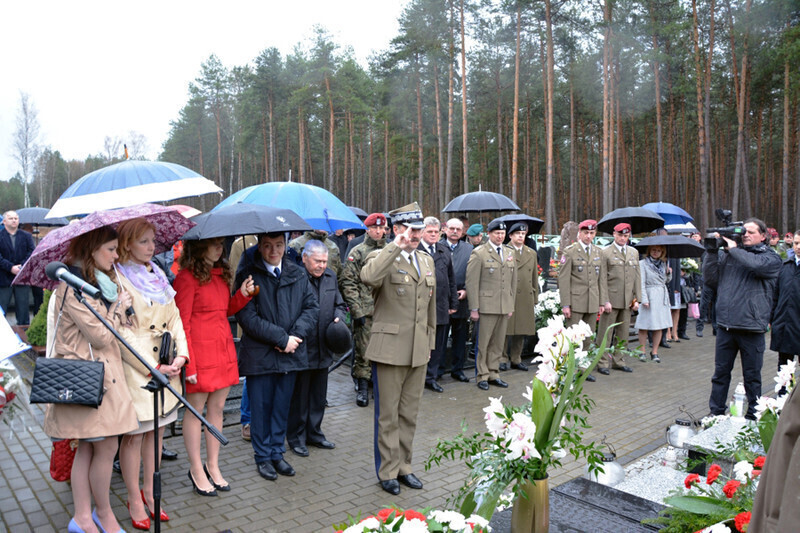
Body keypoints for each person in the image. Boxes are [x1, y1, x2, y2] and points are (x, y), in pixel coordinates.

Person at [43, 226, 139, 533]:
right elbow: (99, 336)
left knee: (89, 448)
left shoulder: (98, 284)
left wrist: (121, 307)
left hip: (103, 380)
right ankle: (99, 514)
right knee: (104, 447)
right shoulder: (72, 288)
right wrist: (116, 308)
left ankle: (84, 518)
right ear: (92, 250)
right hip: (88, 380)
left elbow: (112, 328)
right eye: (110, 249)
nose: (116, 255)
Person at [115, 218, 189, 530]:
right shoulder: (117, 279)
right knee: (134, 436)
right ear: (127, 244)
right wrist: (152, 367)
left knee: (157, 433)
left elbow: (174, 316)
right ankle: (133, 497)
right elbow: (121, 333)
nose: (151, 247)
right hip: (140, 369)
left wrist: (182, 356)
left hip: (168, 361)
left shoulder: (157, 274)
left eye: (152, 240)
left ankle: (149, 492)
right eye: (143, 241)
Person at [360, 202, 435, 495]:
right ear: (397, 229)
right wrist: (395, 246)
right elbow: (369, 278)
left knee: (409, 414)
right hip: (389, 349)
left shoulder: (426, 261)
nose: (415, 235)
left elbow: (430, 310)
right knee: (388, 415)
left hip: (418, 350)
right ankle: (387, 471)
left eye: (418, 230)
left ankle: (405, 466)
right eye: (410, 229)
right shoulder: (383, 256)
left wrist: (429, 342)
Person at [235, 232, 318, 481]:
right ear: (259, 247)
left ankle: (277, 452)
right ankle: (262, 457)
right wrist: (281, 339)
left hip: (290, 353)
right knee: (261, 407)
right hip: (261, 356)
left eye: (279, 245)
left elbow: (311, 308)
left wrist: (294, 337)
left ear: (285, 246)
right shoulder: (248, 275)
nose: (274, 251)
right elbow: (246, 317)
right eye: (268, 246)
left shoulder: (297, 272)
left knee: (281, 406)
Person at [173, 238, 254, 496]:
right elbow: (181, 324)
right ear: (199, 247)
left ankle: (213, 466)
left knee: (217, 410)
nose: (220, 248)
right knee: (195, 412)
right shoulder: (185, 278)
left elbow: (224, 311)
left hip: (222, 350)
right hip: (199, 353)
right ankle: (196, 468)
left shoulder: (221, 275)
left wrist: (241, 295)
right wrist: (190, 363)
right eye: (214, 244)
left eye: (222, 244)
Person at [703, 218, 781, 419]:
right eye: (744, 231)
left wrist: (734, 249)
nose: (746, 234)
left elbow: (756, 267)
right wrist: (712, 253)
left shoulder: (770, 258)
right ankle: (716, 413)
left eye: (752, 232)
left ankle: (753, 416)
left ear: (763, 236)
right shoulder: (730, 255)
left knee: (752, 378)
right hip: (726, 327)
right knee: (720, 375)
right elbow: (711, 279)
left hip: (752, 328)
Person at [287, 240, 346, 457]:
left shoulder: (330, 276)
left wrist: (340, 317)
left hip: (324, 345)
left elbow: (340, 303)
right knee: (300, 396)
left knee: (318, 395)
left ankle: (315, 433)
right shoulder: (295, 277)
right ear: (304, 258)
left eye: (324, 261)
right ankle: (296, 437)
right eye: (317, 261)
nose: (321, 265)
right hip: (302, 346)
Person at [340, 213, 387, 407]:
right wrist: (357, 311)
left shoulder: (391, 250)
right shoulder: (358, 252)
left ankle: (381, 386)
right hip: (366, 312)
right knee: (364, 351)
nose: (378, 231)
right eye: (374, 228)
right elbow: (348, 282)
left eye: (381, 228)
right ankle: (362, 388)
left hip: (387, 311)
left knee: (385, 351)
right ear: (367, 229)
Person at [466, 218, 517, 390]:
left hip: (504, 305)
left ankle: (494, 372)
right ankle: (482, 376)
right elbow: (471, 282)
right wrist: (474, 308)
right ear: (489, 234)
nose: (500, 236)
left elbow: (513, 282)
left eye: (502, 233)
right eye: (497, 233)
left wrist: (511, 305)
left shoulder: (509, 252)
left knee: (498, 343)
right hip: (486, 306)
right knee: (484, 343)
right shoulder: (479, 253)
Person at [418, 216, 457, 393]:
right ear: (422, 232)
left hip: (441, 305)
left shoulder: (443, 250)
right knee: (421, 342)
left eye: (436, 232)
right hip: (421, 306)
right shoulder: (416, 250)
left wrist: (453, 302)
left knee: (438, 343)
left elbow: (451, 278)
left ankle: (431, 377)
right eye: (430, 232)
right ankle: (417, 376)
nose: (433, 235)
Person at [597, 223, 640, 375]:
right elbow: (601, 279)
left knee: (623, 333)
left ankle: (619, 361)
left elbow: (636, 278)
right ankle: (602, 362)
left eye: (626, 236)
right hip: (611, 299)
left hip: (627, 300)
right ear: (614, 235)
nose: (623, 238)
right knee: (605, 334)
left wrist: (637, 300)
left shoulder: (634, 252)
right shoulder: (606, 252)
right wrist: (604, 300)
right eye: (620, 235)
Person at [502, 223, 538, 372]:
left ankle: (516, 358)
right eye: (517, 234)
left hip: (525, 294)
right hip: (509, 294)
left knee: (521, 329)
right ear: (510, 236)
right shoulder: (504, 251)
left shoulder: (531, 253)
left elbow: (534, 276)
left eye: (523, 234)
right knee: (505, 329)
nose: (520, 237)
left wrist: (535, 296)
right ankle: (502, 358)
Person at [442, 218, 473, 383]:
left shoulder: (469, 249)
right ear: (445, 229)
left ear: (463, 232)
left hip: (461, 299)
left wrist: (467, 290)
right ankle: (438, 370)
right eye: (451, 228)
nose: (454, 231)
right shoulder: (438, 246)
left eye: (458, 229)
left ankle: (458, 369)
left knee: (460, 337)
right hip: (442, 300)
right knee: (440, 338)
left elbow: (473, 273)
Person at [768, 230, 800, 372]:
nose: (798, 247)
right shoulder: (785, 266)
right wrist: (771, 318)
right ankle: (783, 393)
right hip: (785, 324)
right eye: (796, 243)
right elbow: (776, 295)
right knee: (784, 367)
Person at [635, 245, 672, 363]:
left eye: (659, 251)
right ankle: (642, 351)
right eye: (653, 250)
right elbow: (641, 282)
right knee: (644, 325)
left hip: (661, 296)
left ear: (662, 252)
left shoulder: (663, 264)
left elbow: (665, 281)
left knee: (659, 325)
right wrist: (644, 299)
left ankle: (654, 351)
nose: (656, 253)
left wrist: (669, 273)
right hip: (649, 295)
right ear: (649, 251)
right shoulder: (643, 263)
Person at [0, 210, 35, 325]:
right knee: (2, 310)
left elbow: (31, 253)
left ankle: (24, 335)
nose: (14, 220)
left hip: (22, 277)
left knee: (23, 311)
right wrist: (11, 268)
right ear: (4, 221)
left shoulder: (27, 236)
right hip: (4, 279)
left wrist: (21, 267)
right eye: (11, 218)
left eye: (16, 218)